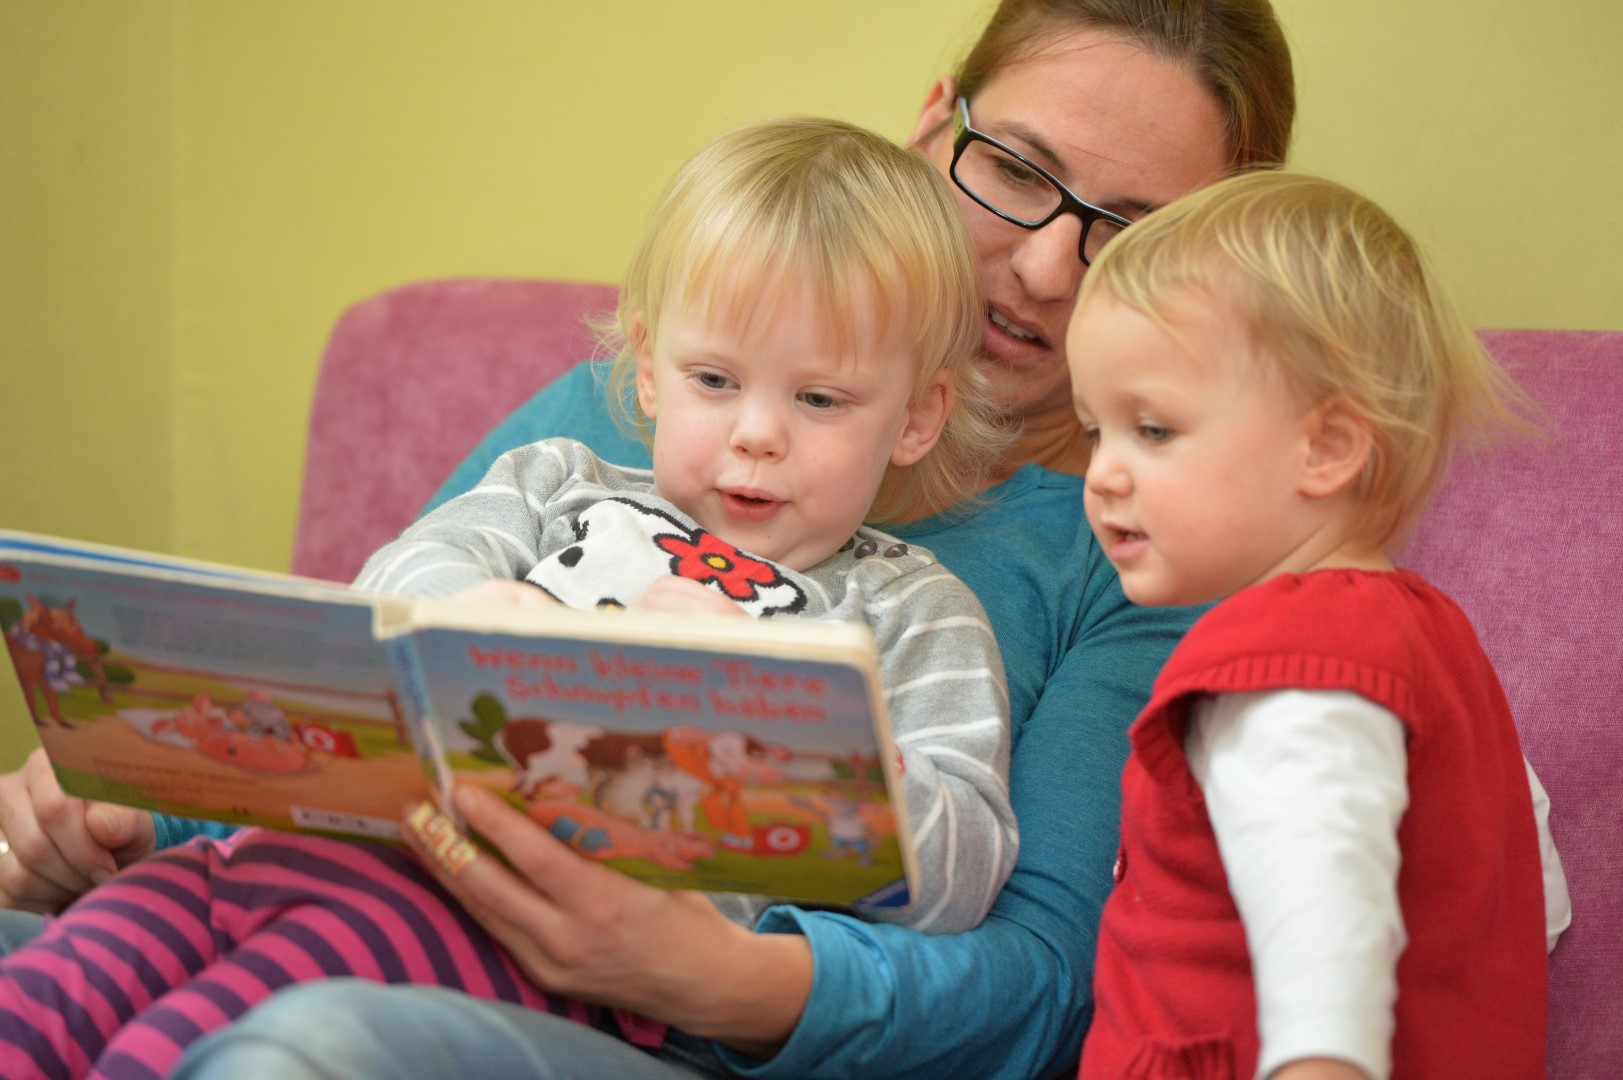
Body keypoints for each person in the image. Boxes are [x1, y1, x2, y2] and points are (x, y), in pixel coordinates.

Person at [0, 3, 1299, 1077]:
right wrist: (130, 810)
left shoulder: (1128, 558)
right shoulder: (610, 438)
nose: (1046, 271)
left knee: (309, 1040)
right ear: (928, 128)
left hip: (659, 1027)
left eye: (1128, 228)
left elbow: (1033, 985)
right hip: (366, 873)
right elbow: (373, 689)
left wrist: (724, 976)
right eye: (1015, 172)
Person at [1067, 171, 1567, 1080]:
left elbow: (1322, 924)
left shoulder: (1281, 659)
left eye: (1152, 429)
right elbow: (1529, 901)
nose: (1101, 472)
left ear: (1326, 448)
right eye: (1092, 430)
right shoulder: (1433, 642)